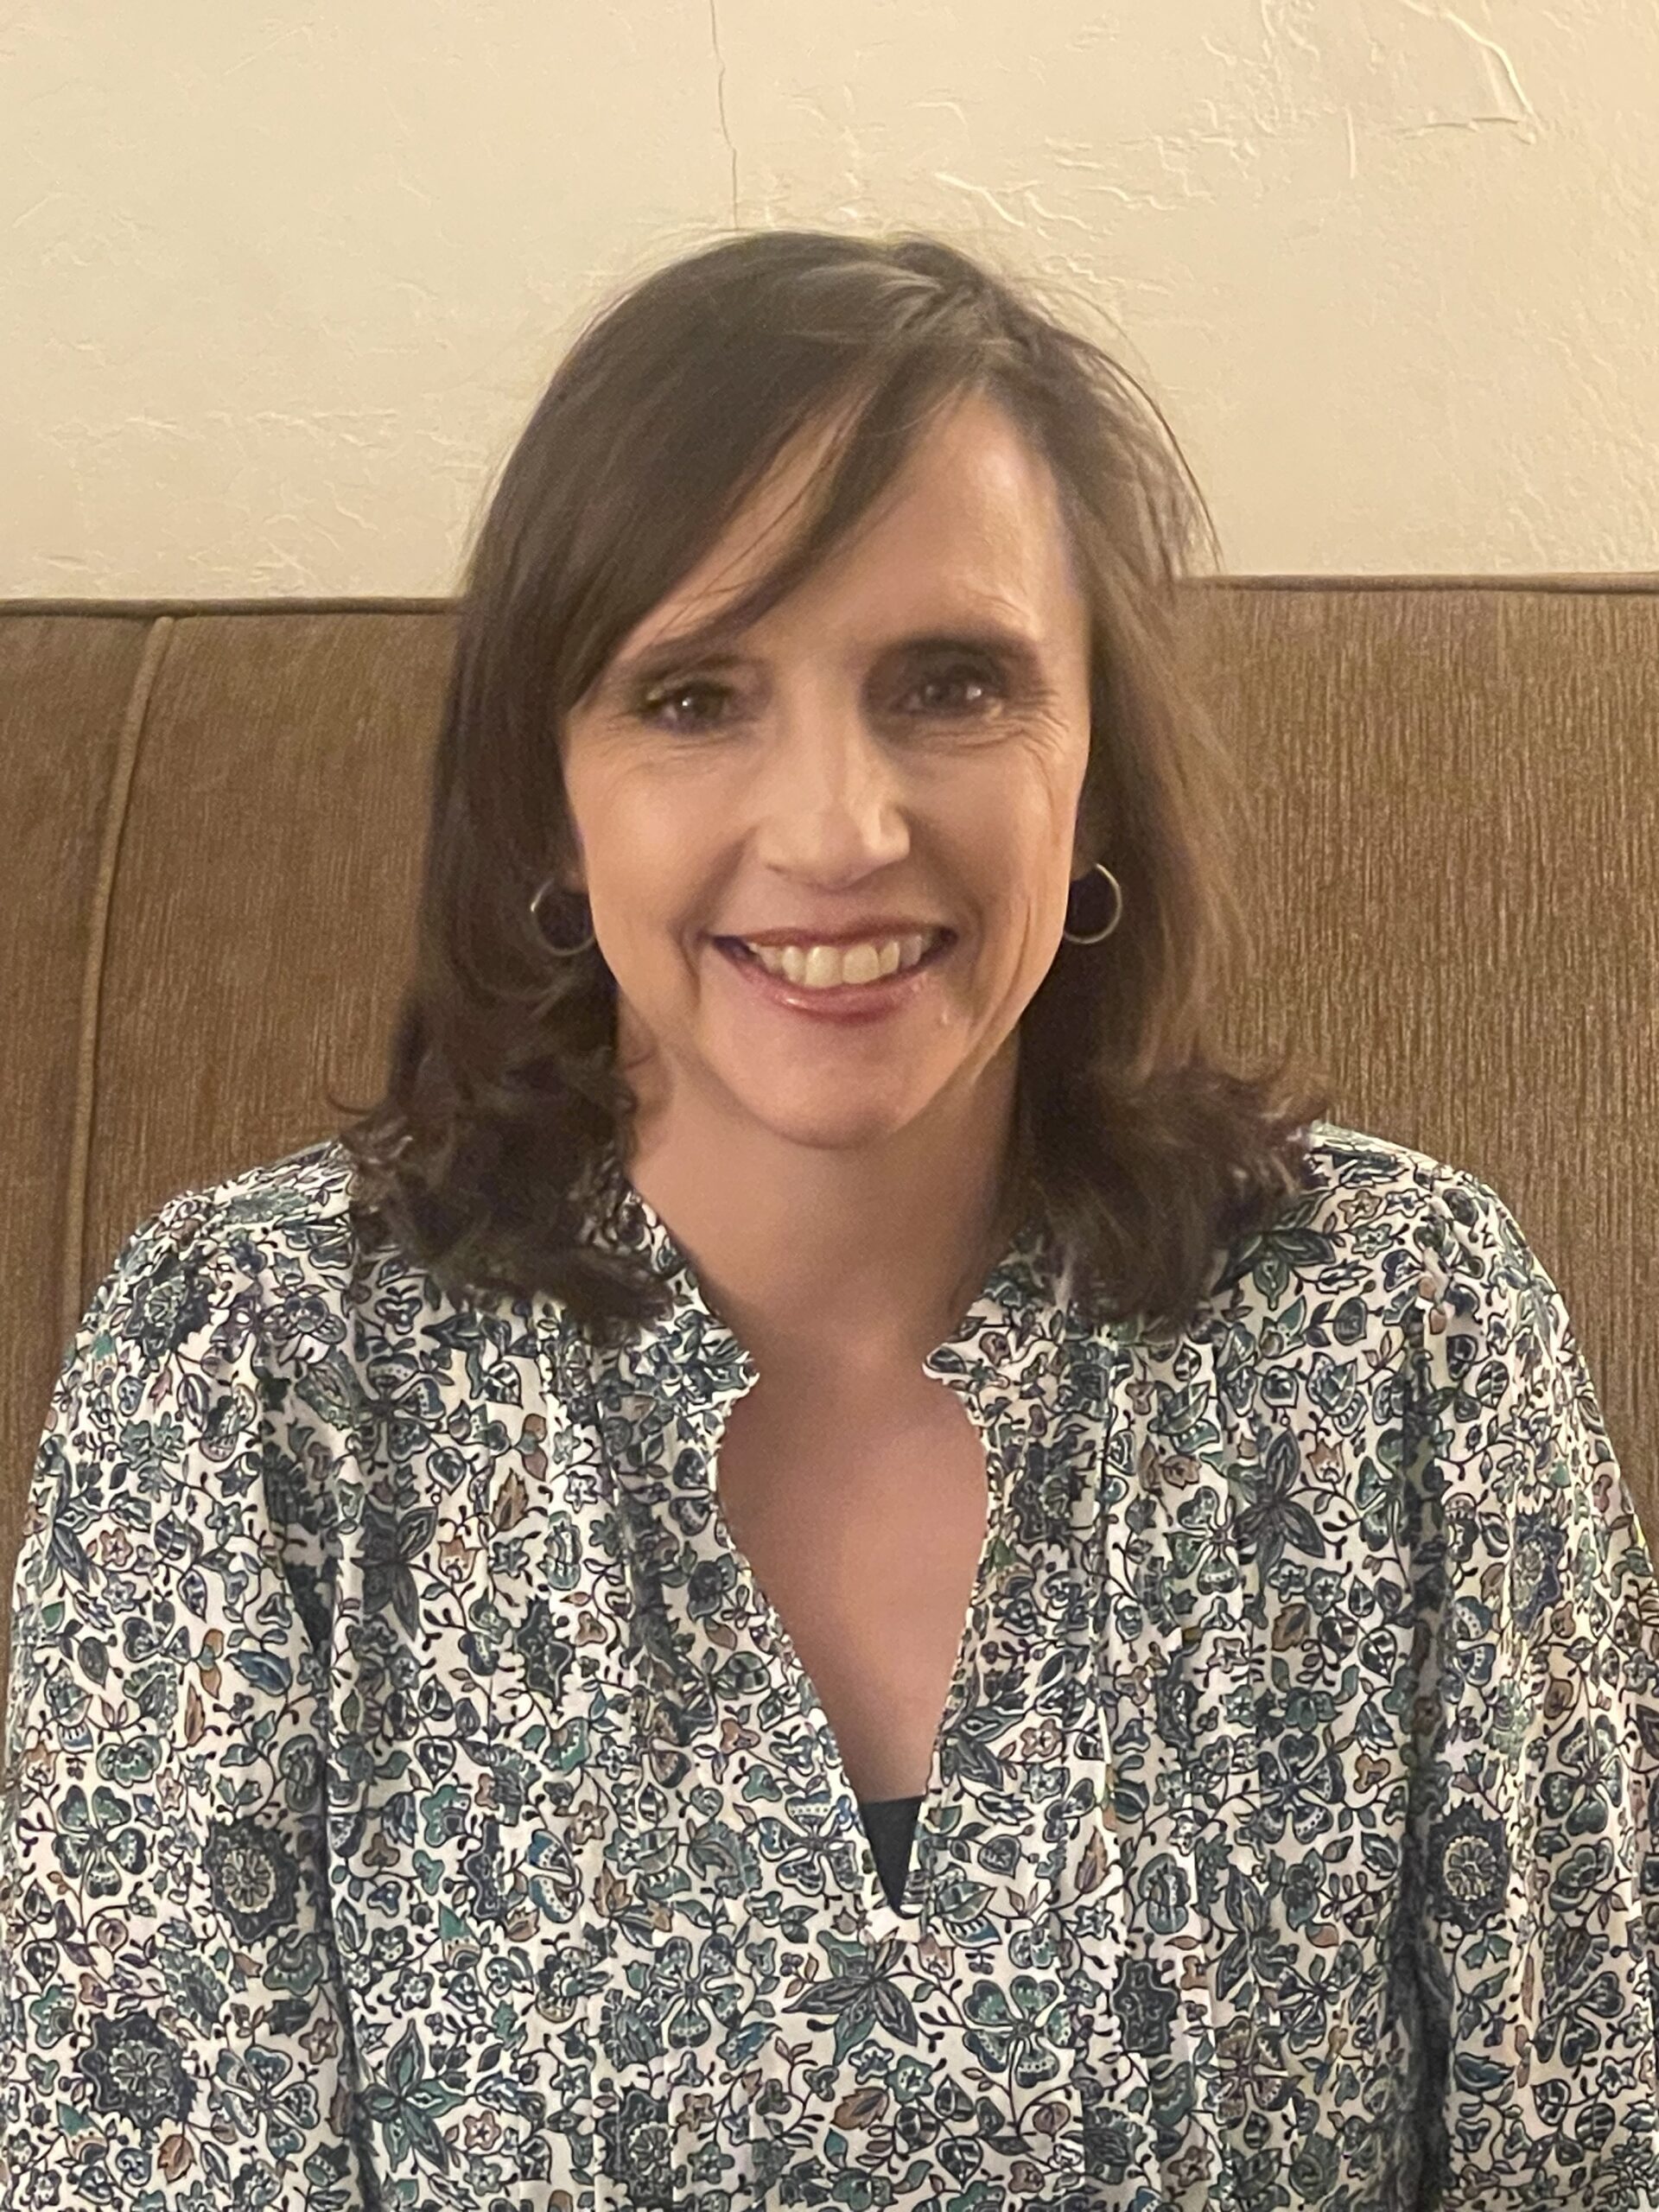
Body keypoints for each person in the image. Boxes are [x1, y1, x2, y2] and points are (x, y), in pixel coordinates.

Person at [3, 228, 1657, 2212]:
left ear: (1095, 774)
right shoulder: (243, 1370)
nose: (840, 828)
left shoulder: (1412, 1329)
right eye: (695, 695)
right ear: (550, 800)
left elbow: (1592, 2147)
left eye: (950, 684)